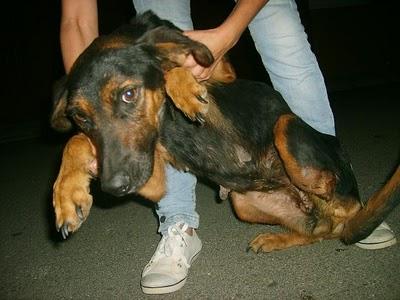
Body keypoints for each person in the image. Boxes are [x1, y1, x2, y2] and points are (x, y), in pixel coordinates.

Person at [60, 0, 397, 295]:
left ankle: (346, 203)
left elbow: (224, 75)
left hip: (267, 138)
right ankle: (181, 223)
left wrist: (215, 43)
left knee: (281, 29)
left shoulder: (158, 55)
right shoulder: (139, 73)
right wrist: (86, 140)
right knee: (243, 206)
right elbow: (75, 21)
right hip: (247, 179)